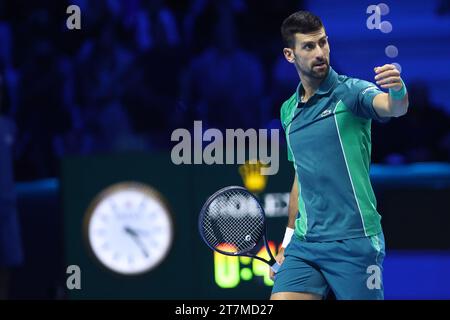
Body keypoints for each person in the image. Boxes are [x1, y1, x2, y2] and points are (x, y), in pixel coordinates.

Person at [270, 11, 409, 300]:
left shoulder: (352, 92)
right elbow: (300, 178)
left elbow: (393, 107)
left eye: (323, 43)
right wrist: (287, 240)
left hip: (354, 243)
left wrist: (397, 90)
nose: (320, 52)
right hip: (306, 246)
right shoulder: (288, 111)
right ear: (289, 54)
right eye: (309, 47)